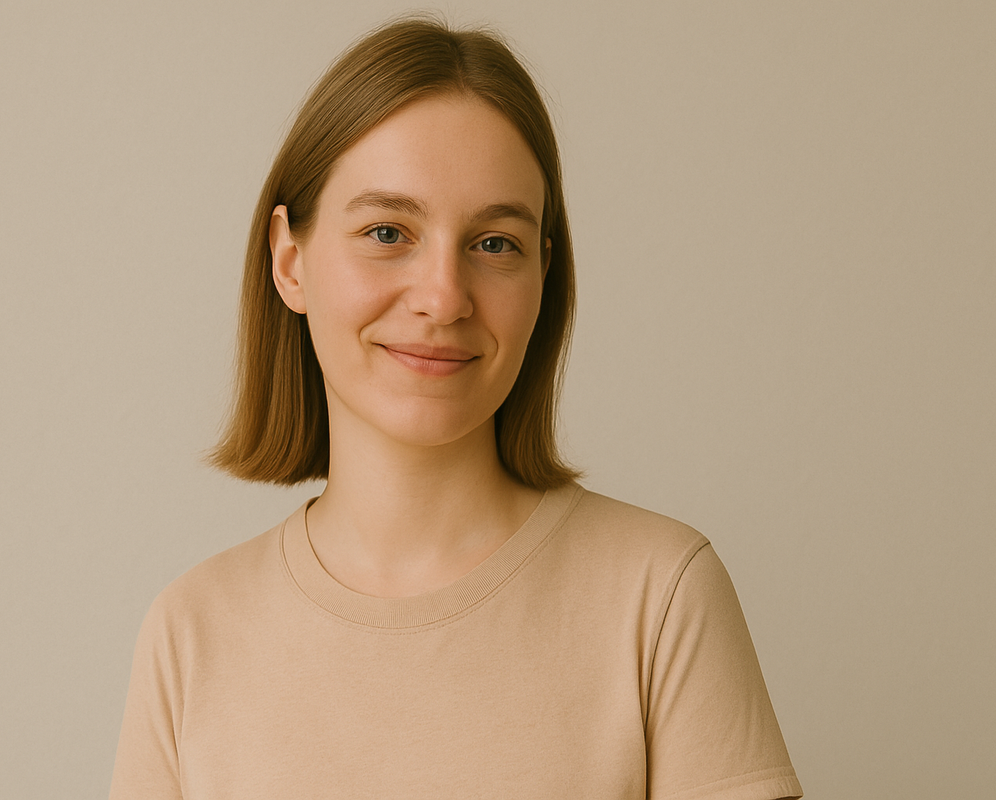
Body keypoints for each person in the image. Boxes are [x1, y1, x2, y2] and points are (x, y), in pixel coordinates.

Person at [110, 17, 803, 800]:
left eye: (496, 243)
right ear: (290, 260)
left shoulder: (661, 595)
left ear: (544, 273)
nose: (443, 297)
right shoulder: (192, 633)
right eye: (386, 231)